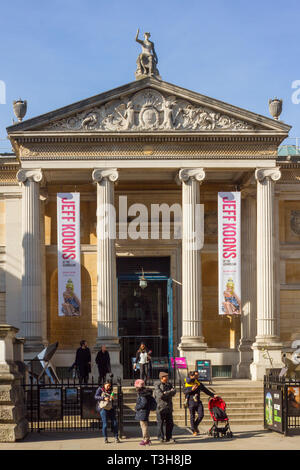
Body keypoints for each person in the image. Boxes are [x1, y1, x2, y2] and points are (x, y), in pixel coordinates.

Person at [184, 370, 216, 436]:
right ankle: (194, 430)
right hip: (191, 401)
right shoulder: (187, 383)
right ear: (191, 376)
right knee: (192, 416)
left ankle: (195, 426)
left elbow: (205, 390)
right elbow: (185, 391)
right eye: (196, 375)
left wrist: (213, 395)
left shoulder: (198, 383)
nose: (197, 376)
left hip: (198, 401)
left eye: (197, 375)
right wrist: (191, 389)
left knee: (201, 415)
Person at [154, 371, 176, 443]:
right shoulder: (157, 384)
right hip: (160, 407)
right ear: (161, 378)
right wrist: (169, 392)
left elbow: (174, 392)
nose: (167, 378)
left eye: (167, 376)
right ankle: (160, 437)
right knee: (160, 423)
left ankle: (169, 437)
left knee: (170, 423)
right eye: (165, 376)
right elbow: (160, 395)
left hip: (169, 406)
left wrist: (166, 392)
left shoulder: (169, 384)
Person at [134, 379, 154, 446]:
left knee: (144, 426)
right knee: (144, 425)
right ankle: (147, 439)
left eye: (136, 386)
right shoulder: (145, 392)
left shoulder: (142, 393)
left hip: (142, 411)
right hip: (145, 411)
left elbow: (144, 403)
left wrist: (137, 407)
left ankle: (146, 440)